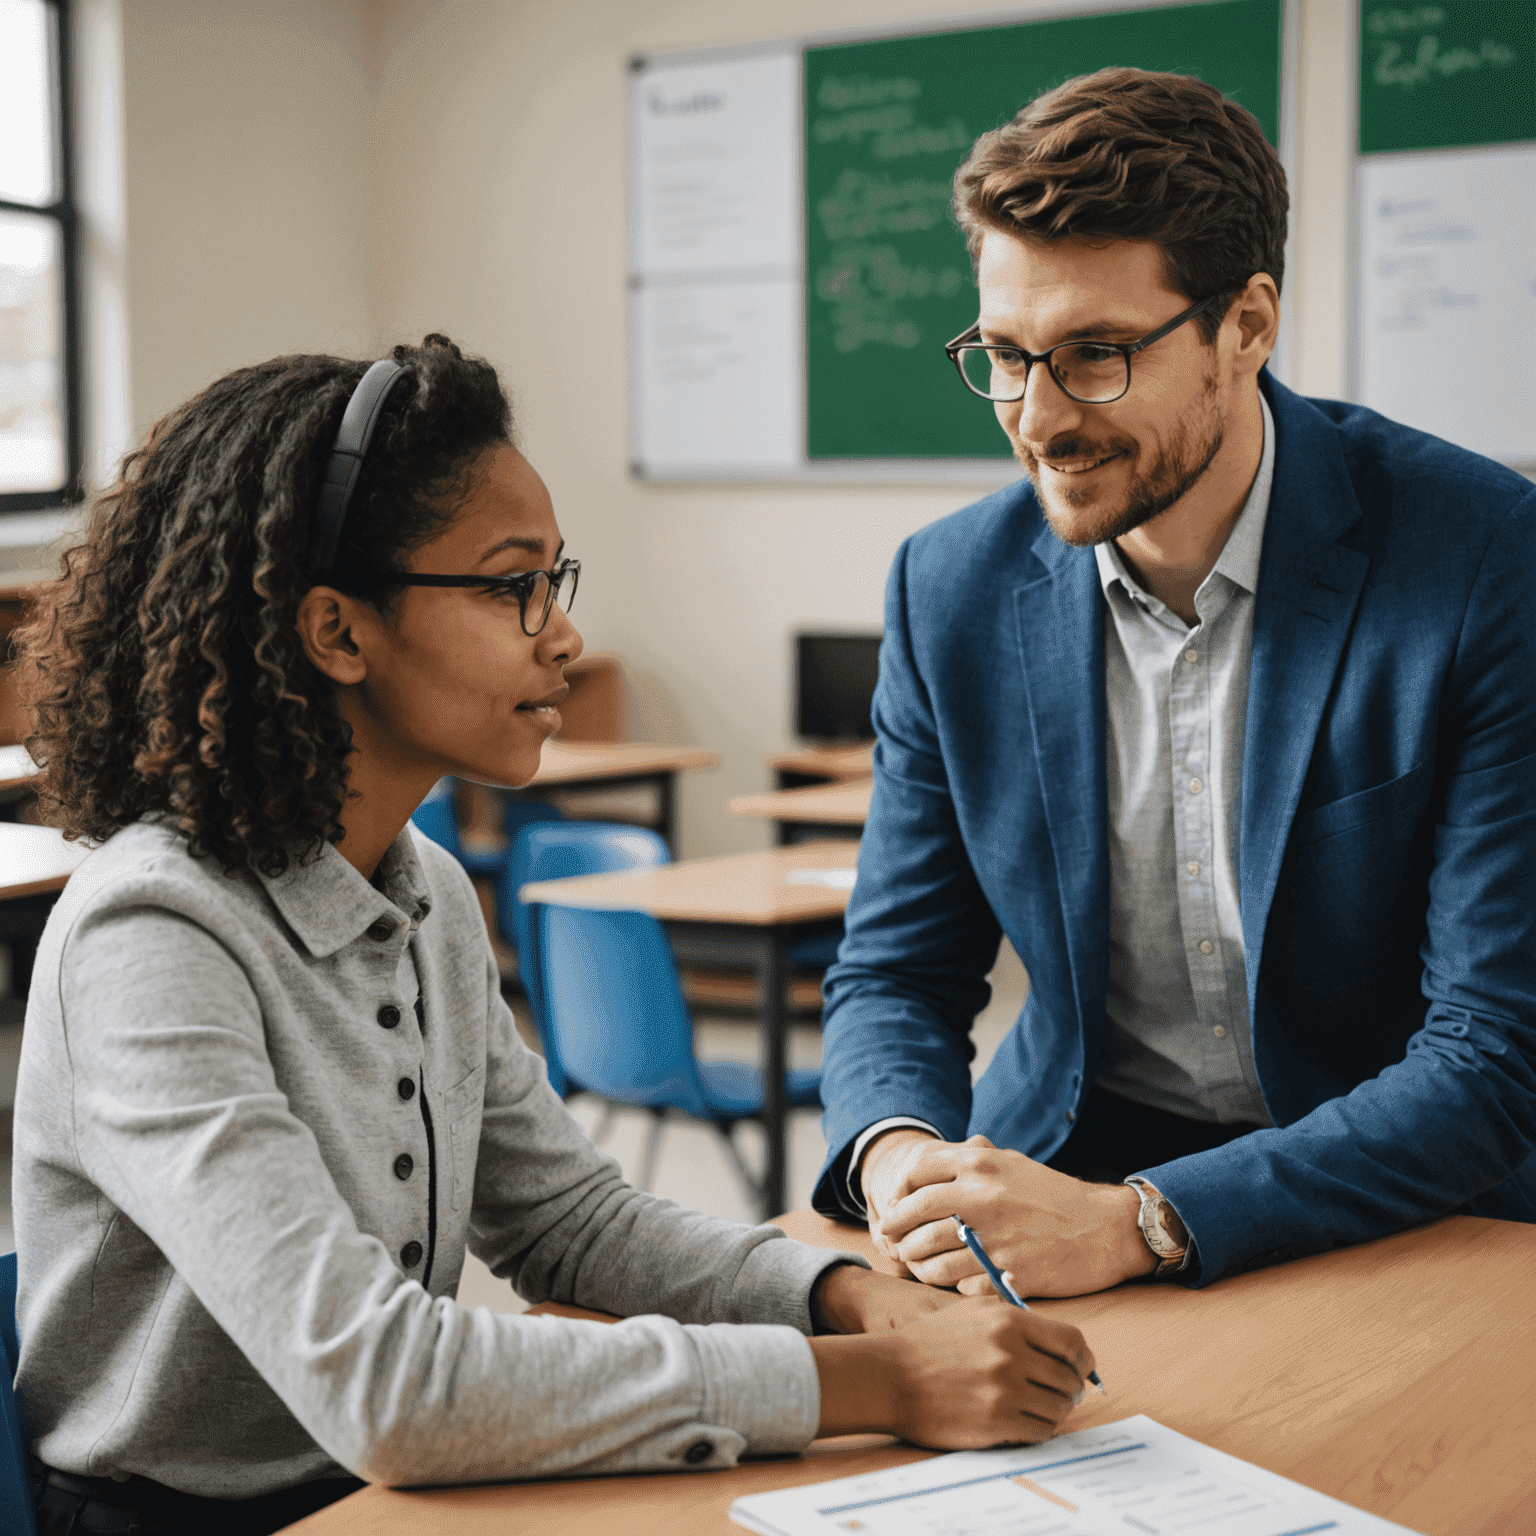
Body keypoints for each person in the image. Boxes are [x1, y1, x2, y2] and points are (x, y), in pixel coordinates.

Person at [11, 336, 1097, 1536]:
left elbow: (569, 1223)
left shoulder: (414, 885)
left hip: (383, 1496)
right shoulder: (154, 932)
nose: (562, 637)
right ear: (338, 631)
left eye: (553, 581)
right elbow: (389, 1389)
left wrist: (845, 1298)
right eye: (508, 585)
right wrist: (871, 1383)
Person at [812, 68, 1536, 1298]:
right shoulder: (949, 590)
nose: (1038, 418)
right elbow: (897, 973)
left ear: (1246, 324)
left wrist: (1142, 1224)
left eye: (1096, 354)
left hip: (1400, 1199)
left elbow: (1494, 1048)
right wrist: (900, 1160)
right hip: (1065, 1170)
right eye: (1002, 354)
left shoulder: (1482, 557)